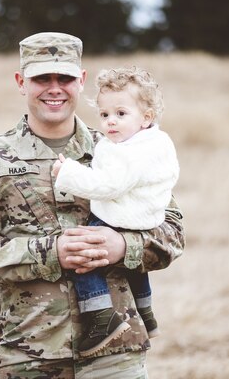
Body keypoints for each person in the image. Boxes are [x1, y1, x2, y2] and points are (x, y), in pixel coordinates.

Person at [0, 32, 184, 379]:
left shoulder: (124, 148)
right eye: (42, 78)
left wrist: (123, 246)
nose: (54, 88)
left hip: (116, 356)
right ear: (21, 82)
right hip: (30, 353)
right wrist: (50, 253)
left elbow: (172, 231)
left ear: (80, 82)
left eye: (65, 77)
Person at [52, 66, 179, 358]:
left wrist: (67, 172)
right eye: (105, 115)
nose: (110, 122)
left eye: (121, 114)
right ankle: (146, 311)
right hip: (145, 217)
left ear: (146, 117)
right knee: (135, 264)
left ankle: (100, 315)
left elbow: (107, 184)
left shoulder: (125, 151)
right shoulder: (157, 141)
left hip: (121, 215)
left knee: (84, 250)